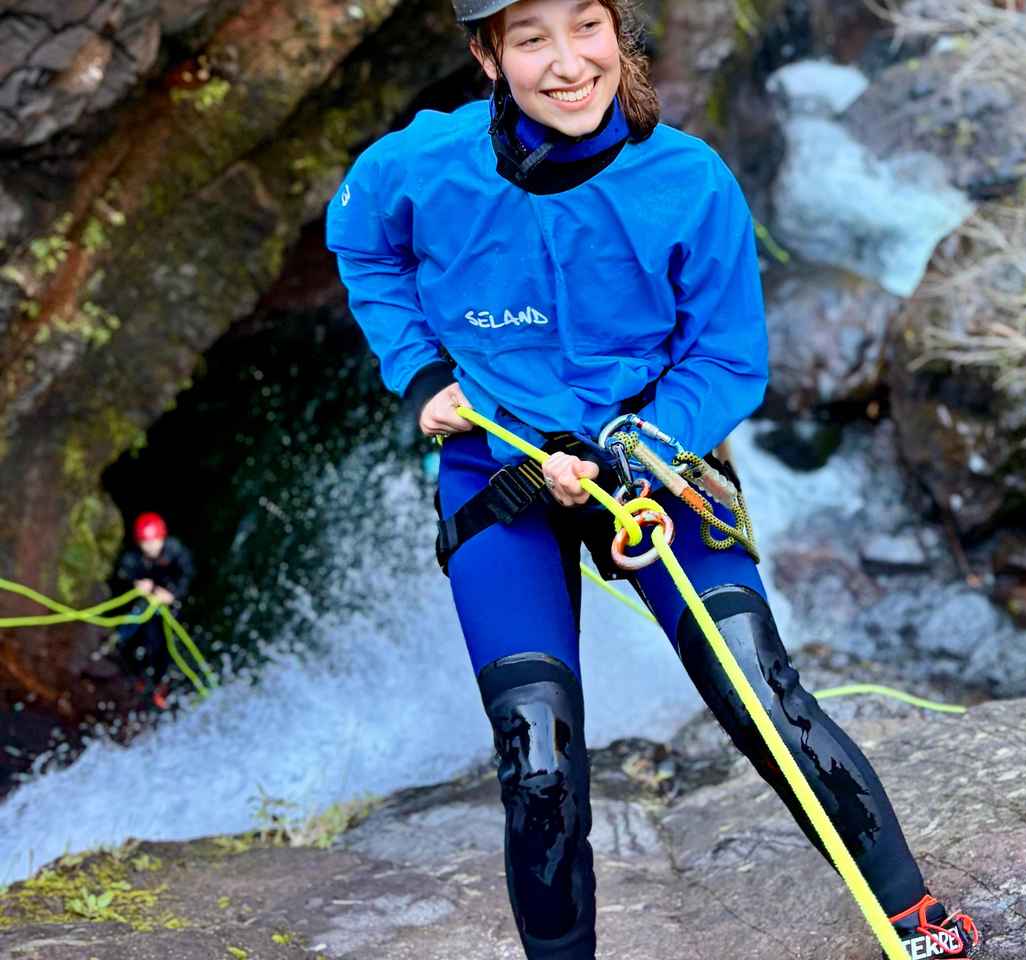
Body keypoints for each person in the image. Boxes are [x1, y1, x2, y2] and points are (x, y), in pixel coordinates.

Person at [325, 1, 980, 956]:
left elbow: (724, 361)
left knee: (759, 690)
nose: (565, 64)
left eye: (584, 27)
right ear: (486, 56)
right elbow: (364, 245)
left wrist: (632, 450)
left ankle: (912, 917)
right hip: (499, 464)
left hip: (652, 457)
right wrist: (421, 369)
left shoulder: (688, 182)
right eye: (529, 39)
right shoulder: (417, 167)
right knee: (537, 753)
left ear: (617, 32)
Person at [111, 512, 194, 708]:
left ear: (162, 538)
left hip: (170, 603)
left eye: (154, 541)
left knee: (167, 644)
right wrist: (135, 584)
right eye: (145, 543)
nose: (150, 547)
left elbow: (188, 575)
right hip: (145, 605)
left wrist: (172, 594)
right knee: (132, 637)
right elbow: (120, 576)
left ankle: (163, 683)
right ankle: (139, 676)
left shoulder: (175, 551)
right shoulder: (133, 558)